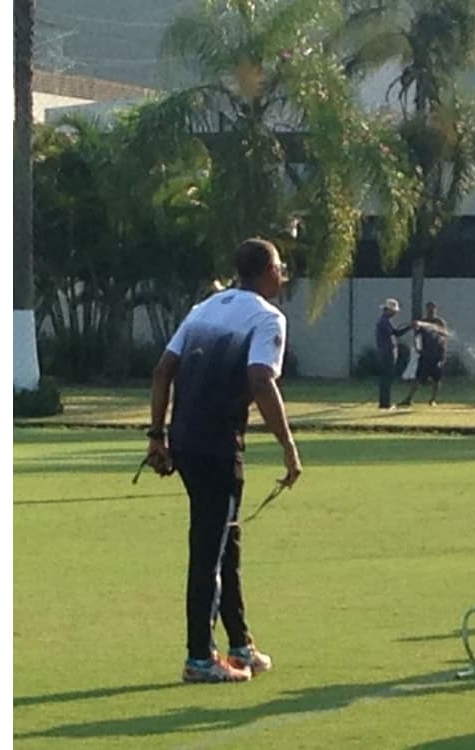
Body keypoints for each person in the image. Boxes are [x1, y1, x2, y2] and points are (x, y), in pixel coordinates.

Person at [146, 237, 303, 683]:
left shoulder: (205, 309)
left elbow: (163, 371)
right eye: (280, 267)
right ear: (267, 271)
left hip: (185, 441)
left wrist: (157, 436)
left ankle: (240, 645)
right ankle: (200, 657)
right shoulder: (267, 317)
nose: (283, 274)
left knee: (226, 540)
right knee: (209, 550)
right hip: (217, 446)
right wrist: (289, 447)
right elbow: (260, 379)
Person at [399, 302, 448, 407]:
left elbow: (445, 336)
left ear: (435, 310)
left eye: (432, 310)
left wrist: (443, 355)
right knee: (418, 377)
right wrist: (417, 347)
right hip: (425, 354)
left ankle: (433, 399)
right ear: (426, 310)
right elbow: (417, 336)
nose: (431, 312)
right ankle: (409, 398)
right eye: (429, 309)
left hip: (437, 354)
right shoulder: (423, 321)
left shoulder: (439, 322)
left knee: (436, 379)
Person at [376, 298, 415, 409]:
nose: (394, 313)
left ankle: (384, 402)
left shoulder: (386, 321)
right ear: (387, 310)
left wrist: (409, 327)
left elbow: (396, 333)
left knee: (387, 378)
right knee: (386, 378)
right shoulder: (383, 322)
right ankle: (385, 403)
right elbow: (394, 335)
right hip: (386, 353)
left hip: (388, 353)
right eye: (393, 311)